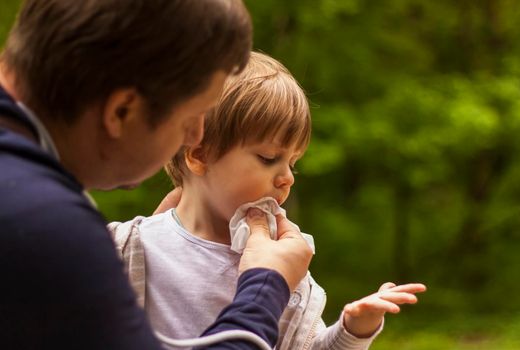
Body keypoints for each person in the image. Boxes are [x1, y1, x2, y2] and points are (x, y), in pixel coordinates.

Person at [0, 1, 314, 349]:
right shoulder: (43, 227)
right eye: (192, 116)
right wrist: (265, 288)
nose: (195, 137)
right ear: (122, 111)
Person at [110, 52, 427, 350]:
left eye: (292, 162)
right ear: (199, 154)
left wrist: (352, 330)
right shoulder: (127, 247)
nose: (287, 177)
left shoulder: (283, 263)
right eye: (268, 158)